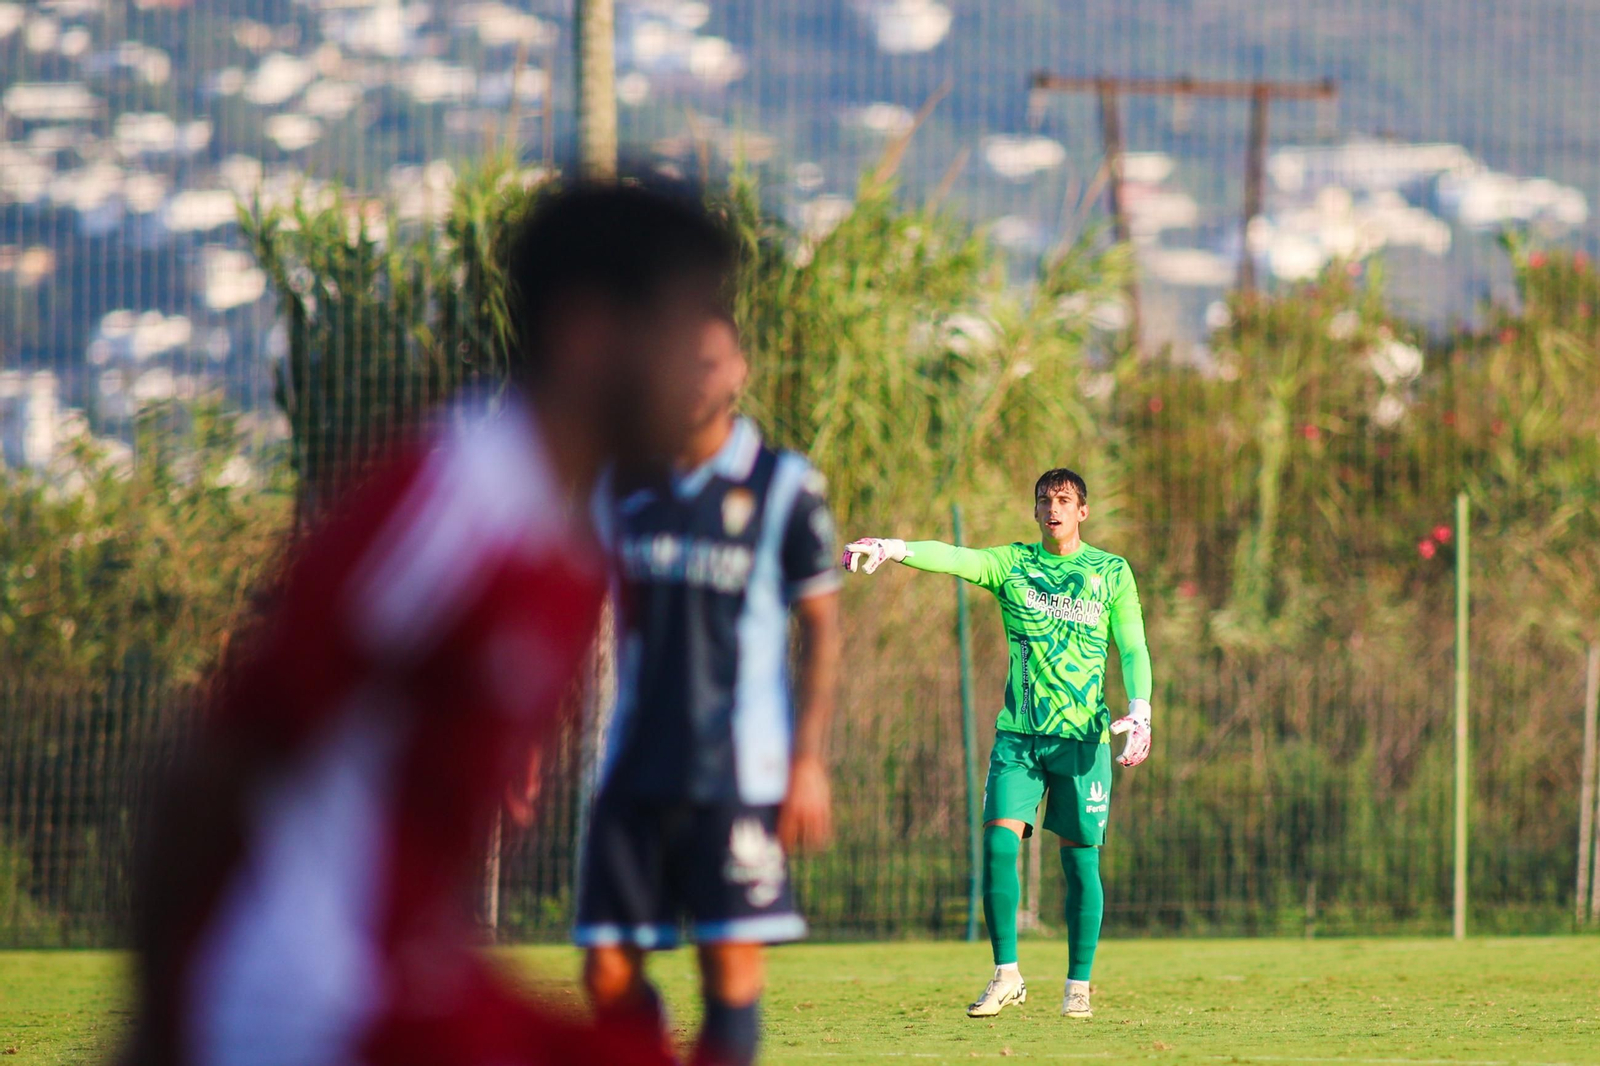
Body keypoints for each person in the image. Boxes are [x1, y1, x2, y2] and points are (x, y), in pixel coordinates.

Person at [120, 182, 739, 1066]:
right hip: (312, 1006)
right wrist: (156, 1025)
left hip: (404, 977)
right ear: (589, 333)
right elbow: (218, 759)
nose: (708, 364)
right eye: (689, 327)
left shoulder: (578, 543)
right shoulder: (454, 504)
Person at [575, 312, 843, 1066]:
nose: (694, 378)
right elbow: (568, 606)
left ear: (738, 372)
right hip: (633, 765)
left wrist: (808, 758)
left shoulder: (782, 485)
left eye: (710, 363)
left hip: (739, 772)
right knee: (606, 971)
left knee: (728, 963)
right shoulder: (621, 481)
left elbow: (822, 622)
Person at [840, 469, 1152, 1021]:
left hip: (1083, 739)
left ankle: (1078, 984)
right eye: (1043, 500)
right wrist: (895, 548)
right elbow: (957, 557)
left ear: (1083, 511)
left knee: (1081, 865)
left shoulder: (1110, 571)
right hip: (1019, 736)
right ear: (1034, 512)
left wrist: (1141, 707)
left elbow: (1131, 642)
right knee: (998, 848)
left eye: (1063, 500)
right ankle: (1006, 974)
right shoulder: (1013, 565)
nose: (1052, 508)